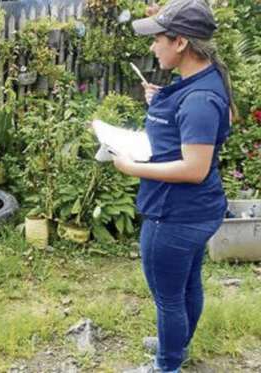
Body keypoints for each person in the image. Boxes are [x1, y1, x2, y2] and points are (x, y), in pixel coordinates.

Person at [112, 1, 234, 372]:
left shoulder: (199, 98)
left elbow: (195, 168)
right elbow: (196, 123)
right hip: (198, 210)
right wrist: (160, 98)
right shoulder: (200, 81)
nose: (153, 47)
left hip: (175, 215)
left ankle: (167, 364)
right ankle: (175, 341)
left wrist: (131, 167)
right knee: (185, 287)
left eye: (157, 40)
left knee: (168, 298)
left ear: (180, 42)